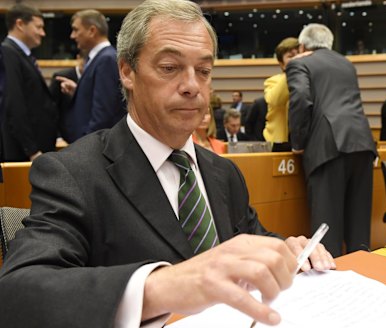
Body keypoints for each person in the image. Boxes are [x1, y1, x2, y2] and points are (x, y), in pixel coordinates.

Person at [0, 1, 335, 327]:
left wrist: (285, 249)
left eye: (203, 70)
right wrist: (158, 287)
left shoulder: (224, 172)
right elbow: (18, 293)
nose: (192, 86)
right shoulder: (73, 172)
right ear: (127, 72)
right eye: (170, 68)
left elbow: (251, 241)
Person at [287, 23, 377, 257]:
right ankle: (362, 277)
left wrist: (298, 142)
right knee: (359, 225)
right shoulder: (347, 64)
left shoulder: (298, 63)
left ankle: (331, 285)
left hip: (327, 147)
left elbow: (300, 101)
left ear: (302, 46)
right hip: (362, 142)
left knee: (327, 230)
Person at [0, 4, 58, 162]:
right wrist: (31, 149)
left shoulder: (23, 55)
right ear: (20, 24)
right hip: (24, 154)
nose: (43, 33)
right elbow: (14, 103)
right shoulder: (7, 53)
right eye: (38, 27)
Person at [58, 9, 125, 143]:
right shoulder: (99, 58)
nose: (72, 36)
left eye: (76, 30)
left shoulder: (106, 59)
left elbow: (103, 113)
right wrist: (78, 92)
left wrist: (85, 147)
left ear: (92, 31)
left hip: (93, 146)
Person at [263, 37, 299, 152]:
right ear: (281, 63)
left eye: (298, 55)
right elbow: (275, 100)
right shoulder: (272, 81)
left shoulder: (309, 82)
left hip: (302, 142)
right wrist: (291, 70)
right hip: (279, 142)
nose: (296, 59)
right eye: (291, 56)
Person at [49, 52, 86, 134]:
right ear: (78, 58)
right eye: (85, 59)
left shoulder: (94, 76)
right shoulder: (61, 77)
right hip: (64, 132)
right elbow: (52, 108)